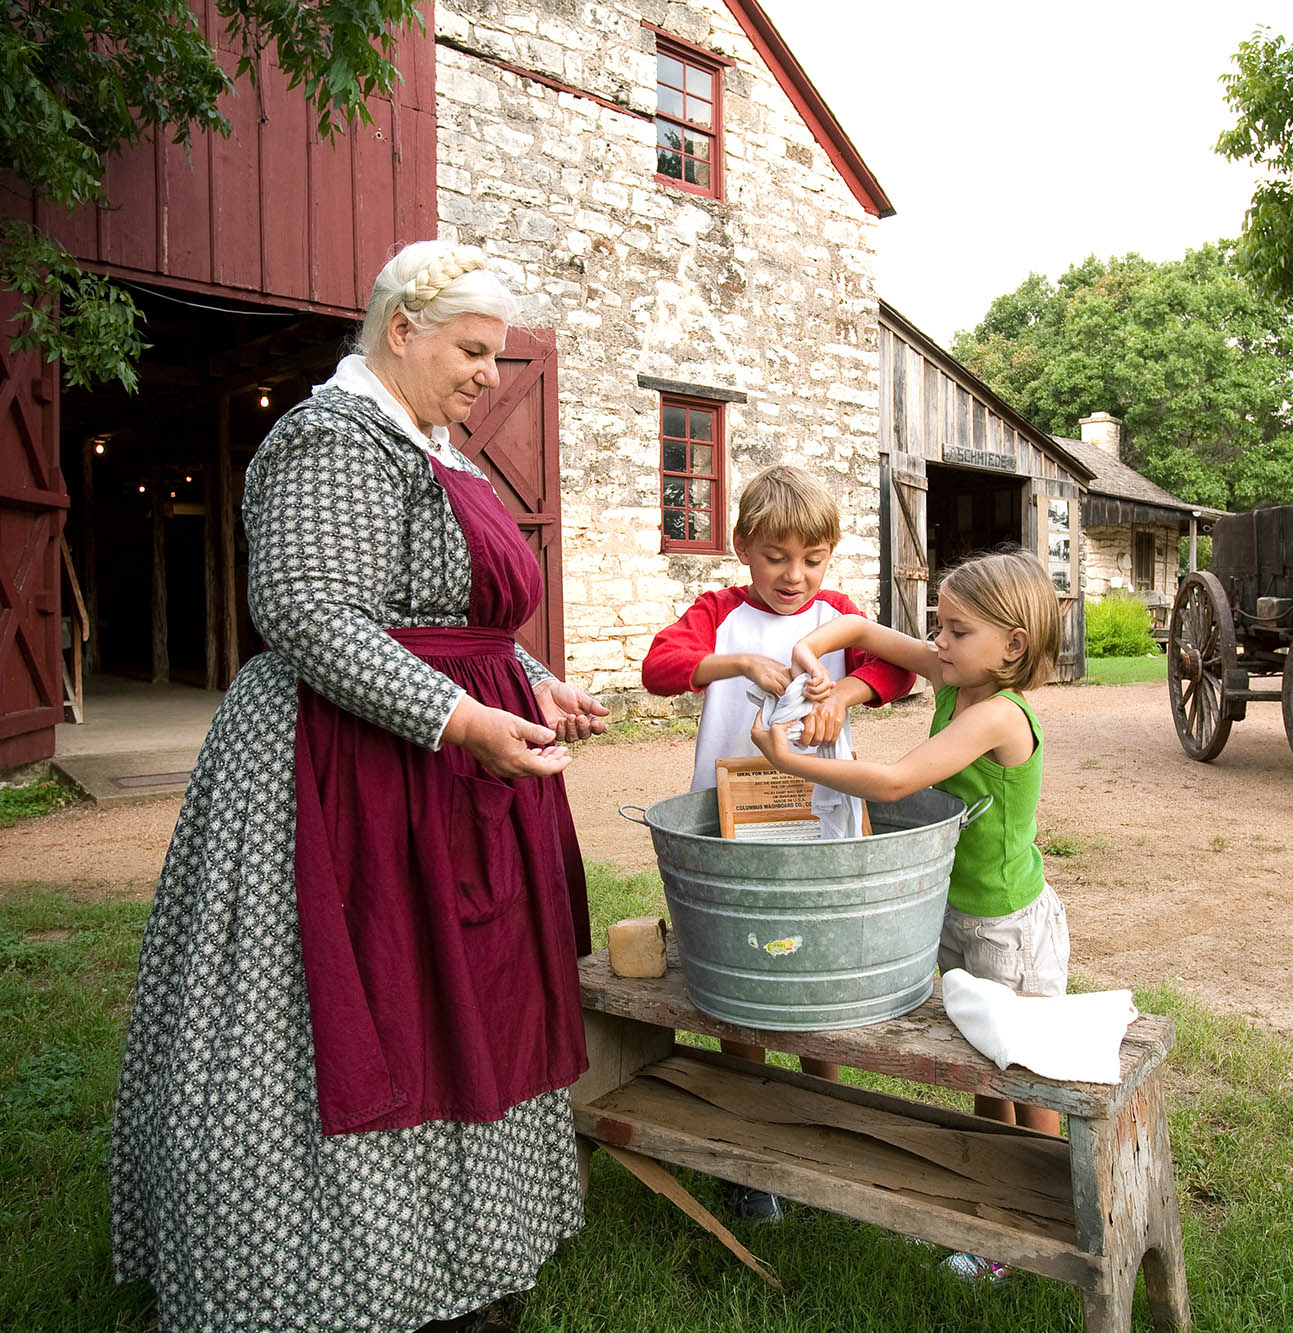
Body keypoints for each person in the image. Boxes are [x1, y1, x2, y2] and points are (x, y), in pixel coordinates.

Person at [109, 240, 610, 1333]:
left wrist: (531, 678)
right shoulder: (330, 436)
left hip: (455, 767)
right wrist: (465, 718)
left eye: (497, 355)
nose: (488, 373)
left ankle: (468, 1255)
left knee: (465, 999)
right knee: (363, 1000)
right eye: (472, 350)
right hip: (343, 775)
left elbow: (455, 616)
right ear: (400, 330)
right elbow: (309, 613)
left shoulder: (439, 451)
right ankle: (330, 1274)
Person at [751, 549, 1069, 1280]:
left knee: (1025, 1068)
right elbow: (857, 625)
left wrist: (792, 761)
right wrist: (810, 646)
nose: (938, 642)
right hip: (961, 913)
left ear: (1011, 644)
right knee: (984, 1069)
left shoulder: (996, 714)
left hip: (1008, 929)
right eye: (939, 626)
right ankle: (999, 1210)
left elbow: (893, 782)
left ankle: (1050, 1219)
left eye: (956, 630)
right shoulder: (958, 673)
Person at [640, 464, 917, 1219]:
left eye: (813, 558)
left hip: (820, 819)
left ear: (830, 556)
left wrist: (847, 696)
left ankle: (822, 1124)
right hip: (736, 822)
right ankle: (755, 1146)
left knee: (819, 974)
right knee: (741, 968)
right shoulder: (719, 613)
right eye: (775, 556)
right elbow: (659, 666)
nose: (795, 576)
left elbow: (897, 664)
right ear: (741, 547)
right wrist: (734, 663)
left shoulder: (837, 612)